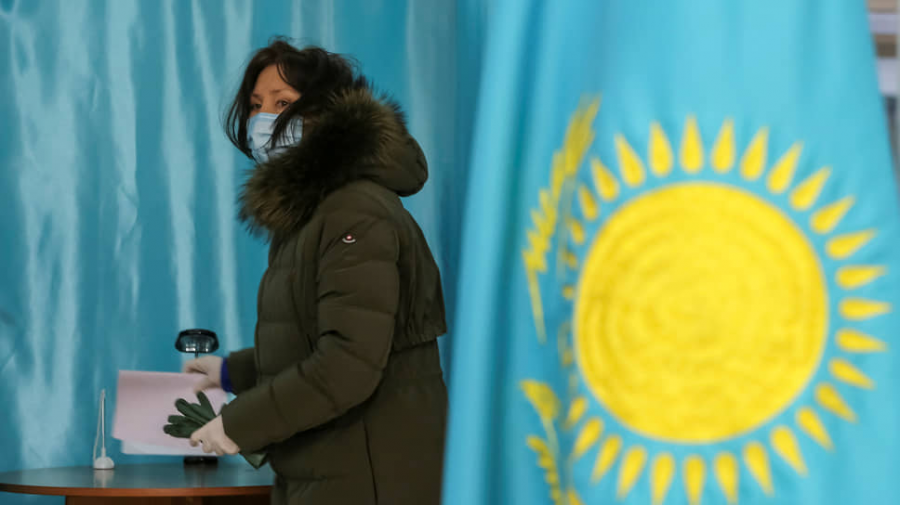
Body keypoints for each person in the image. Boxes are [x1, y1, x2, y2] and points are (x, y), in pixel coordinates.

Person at [181, 39, 448, 505]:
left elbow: (348, 364)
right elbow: (314, 338)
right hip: (328, 468)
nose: (263, 119)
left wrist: (238, 424)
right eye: (256, 105)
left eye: (283, 103)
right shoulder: (314, 212)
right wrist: (231, 372)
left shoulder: (354, 211)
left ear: (326, 113)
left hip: (370, 476)